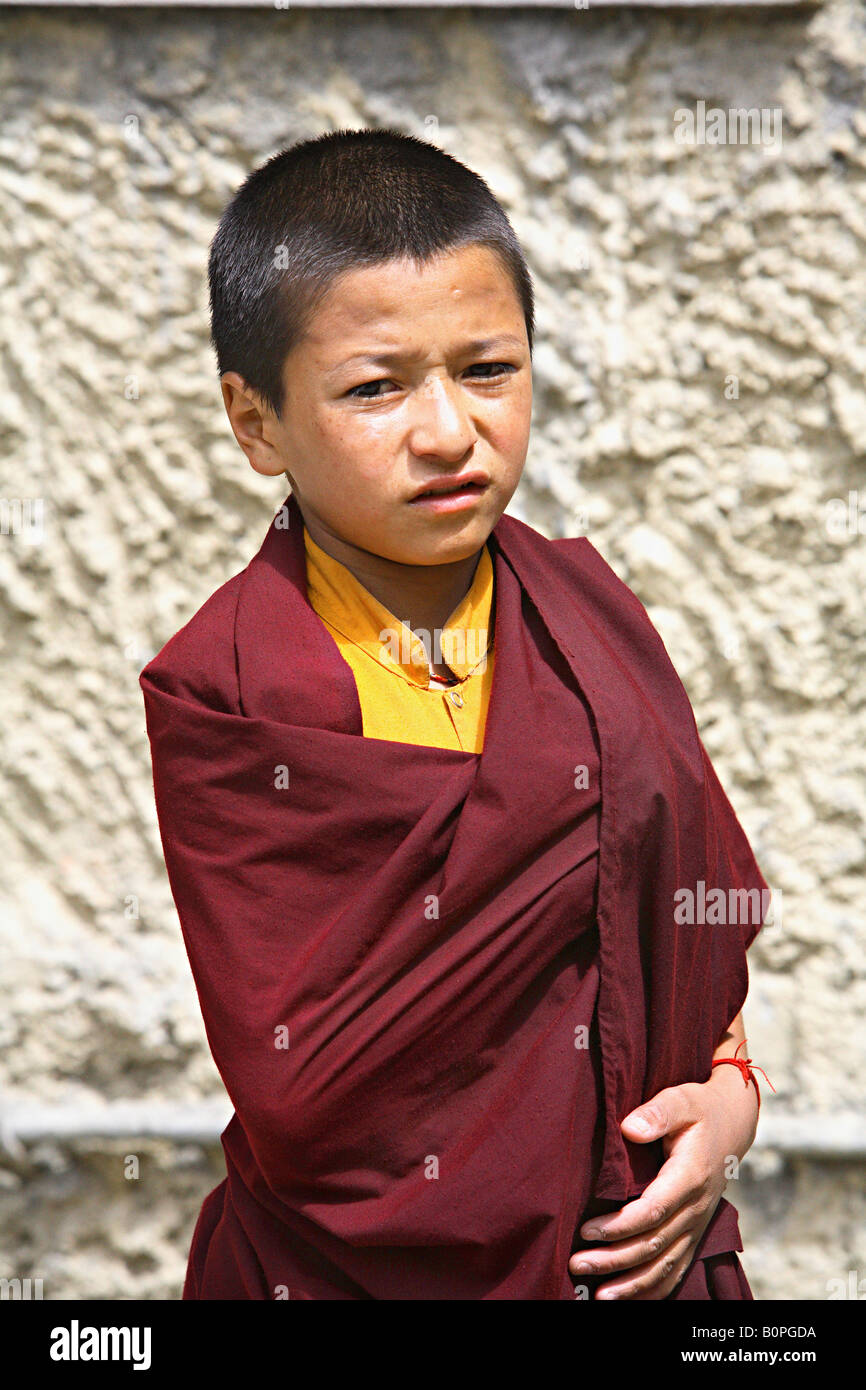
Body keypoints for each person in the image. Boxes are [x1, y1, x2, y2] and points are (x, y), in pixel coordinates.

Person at [140, 127, 772, 1300]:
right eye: (374, 388)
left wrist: (728, 1108)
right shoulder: (230, 688)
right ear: (255, 420)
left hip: (628, 1261)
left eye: (487, 369)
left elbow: (678, 935)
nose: (446, 431)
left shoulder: (586, 616)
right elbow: (309, 1095)